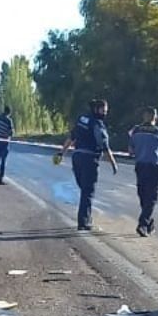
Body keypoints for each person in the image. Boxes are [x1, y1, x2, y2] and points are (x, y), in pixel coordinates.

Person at [62, 98, 119, 230]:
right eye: (103, 111)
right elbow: (104, 146)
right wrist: (113, 164)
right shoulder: (97, 124)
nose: (105, 113)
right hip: (89, 159)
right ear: (96, 109)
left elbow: (71, 137)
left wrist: (62, 152)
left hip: (77, 157)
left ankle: (85, 216)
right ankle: (84, 222)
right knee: (88, 191)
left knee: (84, 189)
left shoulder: (82, 119)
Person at [129, 107, 158, 235]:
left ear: (144, 116)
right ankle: (143, 223)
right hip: (153, 166)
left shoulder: (135, 130)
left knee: (142, 193)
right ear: (155, 117)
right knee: (152, 196)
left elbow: (130, 150)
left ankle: (148, 222)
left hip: (140, 165)